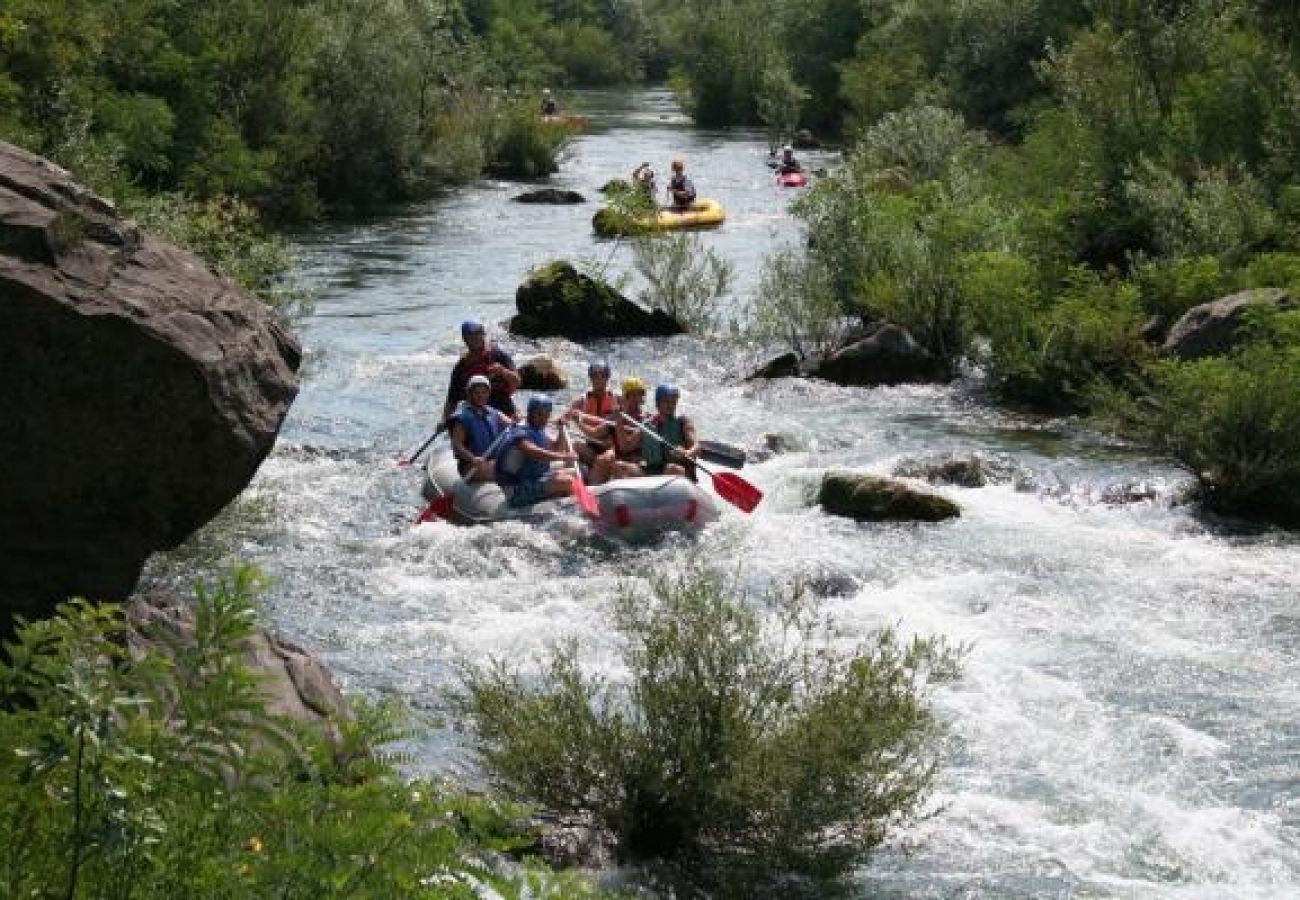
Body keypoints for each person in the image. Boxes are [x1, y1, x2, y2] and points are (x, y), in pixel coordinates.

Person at [493, 394, 578, 507]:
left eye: (547, 415)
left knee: (575, 472)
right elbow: (533, 452)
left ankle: (568, 502)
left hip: (532, 479)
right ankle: (573, 508)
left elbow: (557, 448)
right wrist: (563, 457)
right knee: (567, 481)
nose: (544, 419)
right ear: (530, 413)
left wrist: (561, 430)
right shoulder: (519, 432)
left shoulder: (537, 430)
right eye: (539, 414)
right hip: (516, 489)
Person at [442, 320, 521, 421]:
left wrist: (503, 371)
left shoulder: (498, 356)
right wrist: (444, 420)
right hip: (476, 417)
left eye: (479, 333)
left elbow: (517, 381)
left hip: (504, 411)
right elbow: (451, 400)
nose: (476, 338)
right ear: (465, 339)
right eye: (471, 335)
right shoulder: (461, 367)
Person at [566, 359, 621, 484]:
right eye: (594, 376)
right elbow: (566, 415)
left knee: (605, 458)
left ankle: (592, 483)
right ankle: (574, 483)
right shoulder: (583, 399)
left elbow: (597, 433)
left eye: (602, 375)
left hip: (610, 448)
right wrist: (565, 418)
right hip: (592, 448)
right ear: (590, 378)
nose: (598, 379)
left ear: (607, 378)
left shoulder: (616, 400)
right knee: (573, 446)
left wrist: (578, 422)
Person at [448, 374, 509, 481]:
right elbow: (457, 445)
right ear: (469, 394)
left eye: (484, 392)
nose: (481, 396)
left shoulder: (493, 412)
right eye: (477, 393)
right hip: (471, 466)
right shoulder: (462, 417)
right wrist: (473, 458)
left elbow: (511, 424)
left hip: (491, 461)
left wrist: (516, 422)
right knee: (498, 470)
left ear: (488, 393)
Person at [641, 383, 698, 477]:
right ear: (658, 403)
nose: (670, 405)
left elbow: (697, 447)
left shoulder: (683, 421)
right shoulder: (648, 424)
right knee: (622, 467)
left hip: (678, 471)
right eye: (667, 401)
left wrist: (687, 452)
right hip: (653, 470)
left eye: (673, 402)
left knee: (671, 469)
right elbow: (626, 446)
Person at [610, 376, 650, 478]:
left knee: (620, 466)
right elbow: (595, 432)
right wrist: (579, 421)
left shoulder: (648, 419)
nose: (637, 399)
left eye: (639, 395)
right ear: (626, 397)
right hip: (621, 462)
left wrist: (618, 421)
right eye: (633, 395)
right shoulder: (615, 416)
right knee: (605, 459)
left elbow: (625, 447)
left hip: (640, 464)